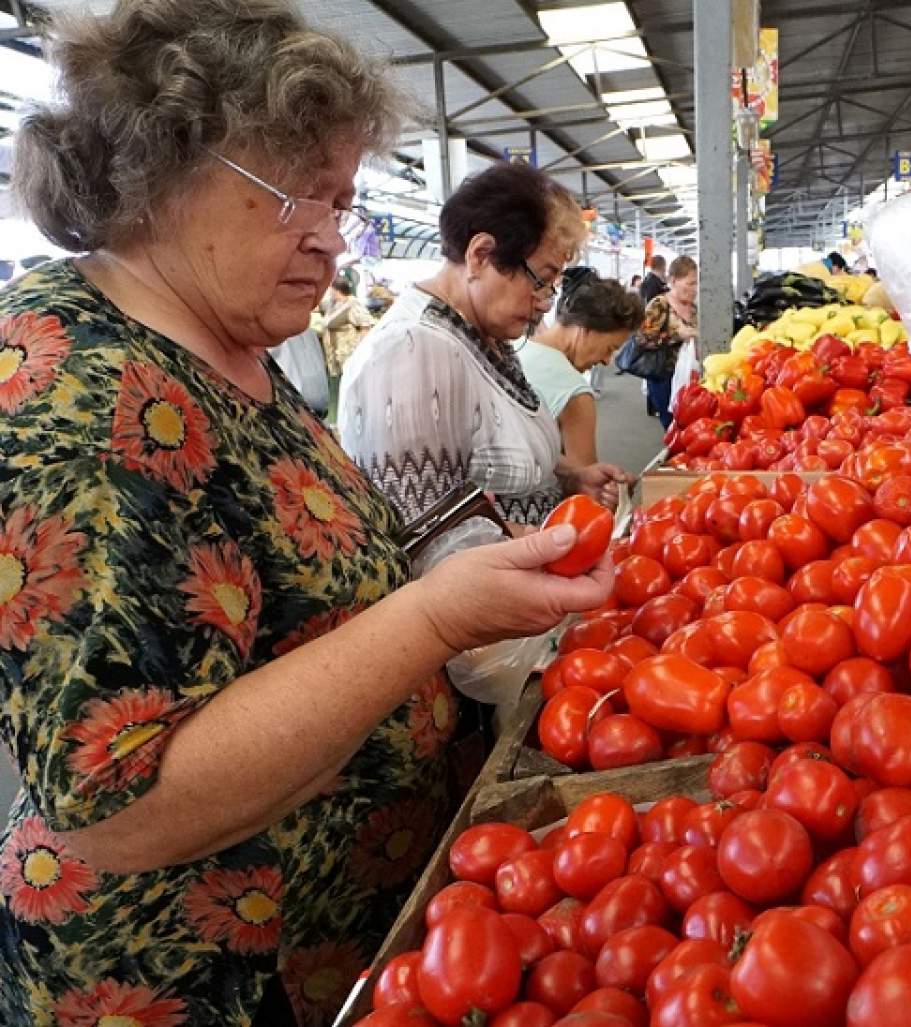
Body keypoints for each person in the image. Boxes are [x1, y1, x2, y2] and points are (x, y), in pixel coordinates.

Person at [0, 3, 613, 1025]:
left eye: (346, 203)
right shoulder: (80, 391)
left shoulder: (224, 340)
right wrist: (432, 618)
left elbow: (282, 581)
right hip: (202, 974)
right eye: (302, 198)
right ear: (163, 172)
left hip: (333, 924)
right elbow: (122, 806)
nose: (335, 242)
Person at [340, 162, 632, 527]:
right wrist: (543, 544)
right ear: (481, 255)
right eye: (540, 280)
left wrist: (569, 478)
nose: (545, 301)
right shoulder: (415, 352)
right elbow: (427, 534)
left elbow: (486, 461)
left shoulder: (483, 336)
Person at [520, 271, 643, 466]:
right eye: (609, 348)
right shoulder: (575, 394)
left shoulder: (515, 349)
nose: (607, 361)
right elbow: (585, 482)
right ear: (585, 330)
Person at [633, 254, 697, 429]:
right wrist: (674, 335)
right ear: (674, 280)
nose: (694, 289)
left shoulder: (695, 308)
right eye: (690, 283)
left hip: (689, 375)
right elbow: (642, 338)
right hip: (663, 376)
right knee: (671, 424)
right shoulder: (659, 304)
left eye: (696, 283)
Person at [321, 275, 373, 417]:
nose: (330, 292)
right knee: (340, 386)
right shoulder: (334, 304)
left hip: (348, 351)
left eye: (331, 289)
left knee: (352, 387)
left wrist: (360, 350)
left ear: (336, 290)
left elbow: (365, 325)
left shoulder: (353, 304)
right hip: (337, 352)